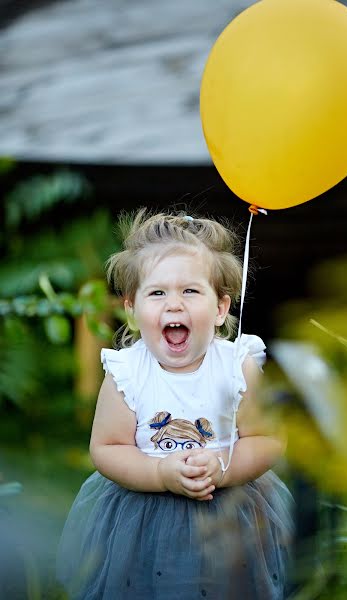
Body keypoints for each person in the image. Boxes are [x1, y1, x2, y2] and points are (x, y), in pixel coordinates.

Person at [57, 208, 293, 599]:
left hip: (230, 513)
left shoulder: (238, 366)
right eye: (157, 292)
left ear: (220, 308)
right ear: (132, 309)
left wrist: (223, 467)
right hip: (144, 519)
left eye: (190, 291)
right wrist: (161, 474)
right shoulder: (127, 373)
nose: (174, 304)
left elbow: (267, 439)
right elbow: (106, 448)